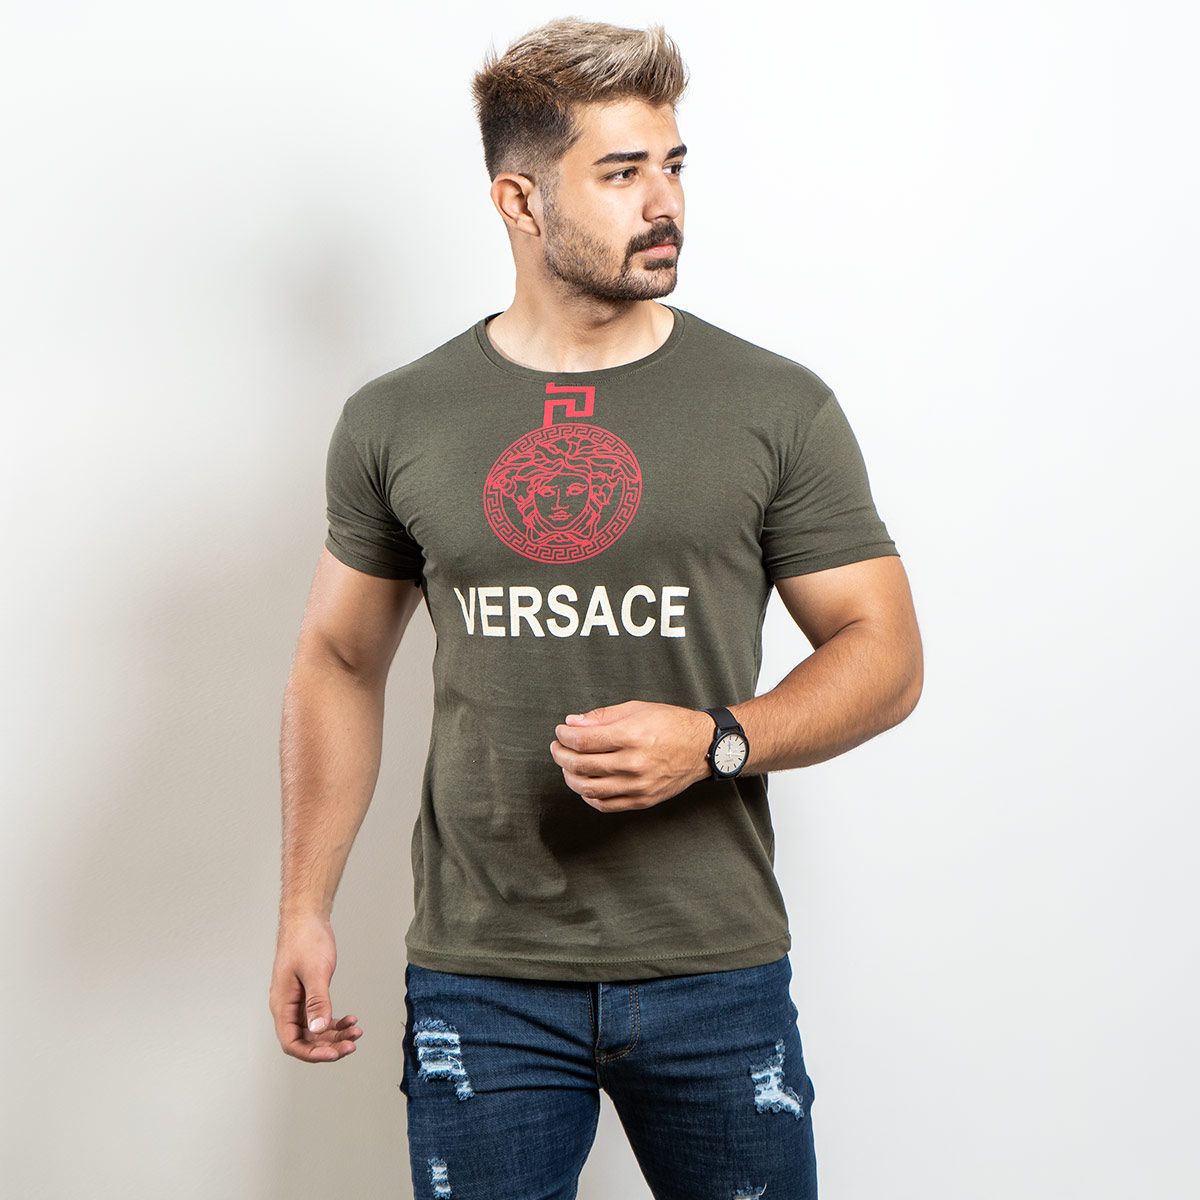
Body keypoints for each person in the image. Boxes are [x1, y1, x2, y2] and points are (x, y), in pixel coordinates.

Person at [269, 17, 922, 1200]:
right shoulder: (398, 419)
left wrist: (717, 738)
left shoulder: (775, 406)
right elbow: (338, 660)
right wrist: (304, 906)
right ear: (519, 202)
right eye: (621, 174)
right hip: (484, 977)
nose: (664, 202)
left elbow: (885, 653)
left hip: (713, 967)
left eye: (673, 165)